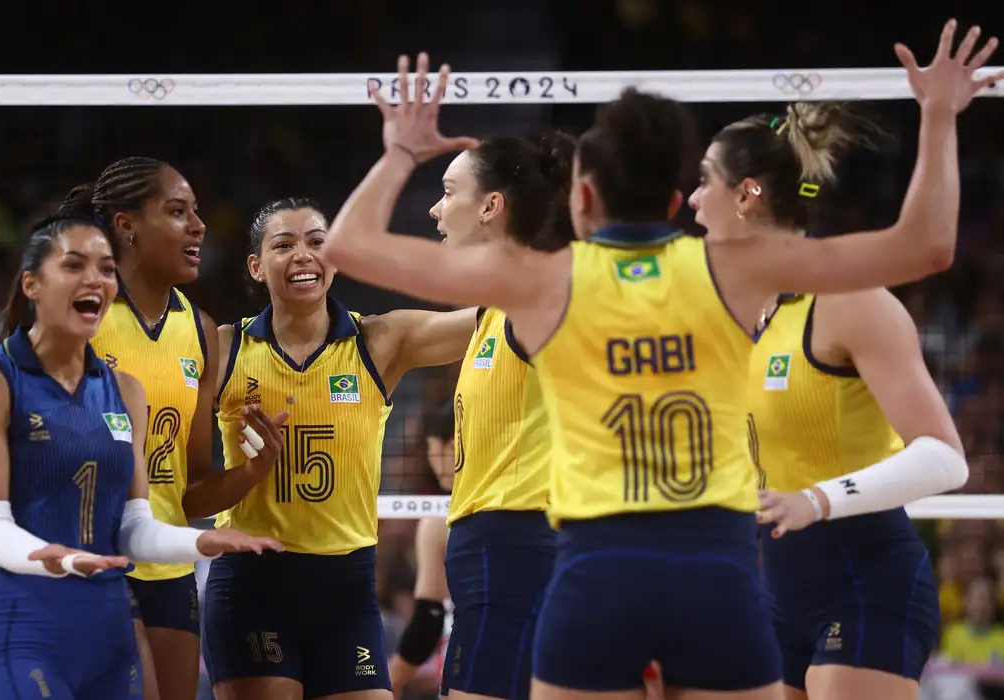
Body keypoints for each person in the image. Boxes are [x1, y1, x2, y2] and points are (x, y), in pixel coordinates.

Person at [320, 28, 998, 700]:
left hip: (596, 571)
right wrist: (939, 116)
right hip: (718, 572)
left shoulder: (539, 282)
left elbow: (348, 247)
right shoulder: (737, 270)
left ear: (582, 200)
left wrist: (401, 152)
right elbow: (929, 246)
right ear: (676, 204)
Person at [0, 157, 288, 700]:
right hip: (89, 564)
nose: (199, 226)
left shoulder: (199, 331)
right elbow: (19, 408)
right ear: (127, 227)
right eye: (177, 212)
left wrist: (252, 473)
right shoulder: (75, 316)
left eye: (196, 212)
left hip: (165, 563)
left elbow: (190, 488)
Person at [692, 108, 968, 698]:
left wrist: (816, 500)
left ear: (746, 195)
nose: (691, 200)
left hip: (867, 582)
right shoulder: (737, 311)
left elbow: (946, 459)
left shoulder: (847, 300)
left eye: (703, 180)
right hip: (775, 591)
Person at [201, 197, 480, 700]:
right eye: (283, 245)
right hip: (253, 584)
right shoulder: (225, 350)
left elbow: (487, 321)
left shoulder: (380, 340)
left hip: (346, 586)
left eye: (316, 241)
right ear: (256, 266)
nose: (303, 254)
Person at [421, 132, 575, 700]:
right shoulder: (496, 306)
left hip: (517, 542)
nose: (435, 208)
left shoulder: (540, 298)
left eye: (447, 191)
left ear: (491, 206)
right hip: (495, 547)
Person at [389, 402, 455, 700]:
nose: (431, 460)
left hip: (467, 659)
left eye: (432, 449)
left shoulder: (439, 520)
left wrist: (394, 676)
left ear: (450, 446)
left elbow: (430, 615)